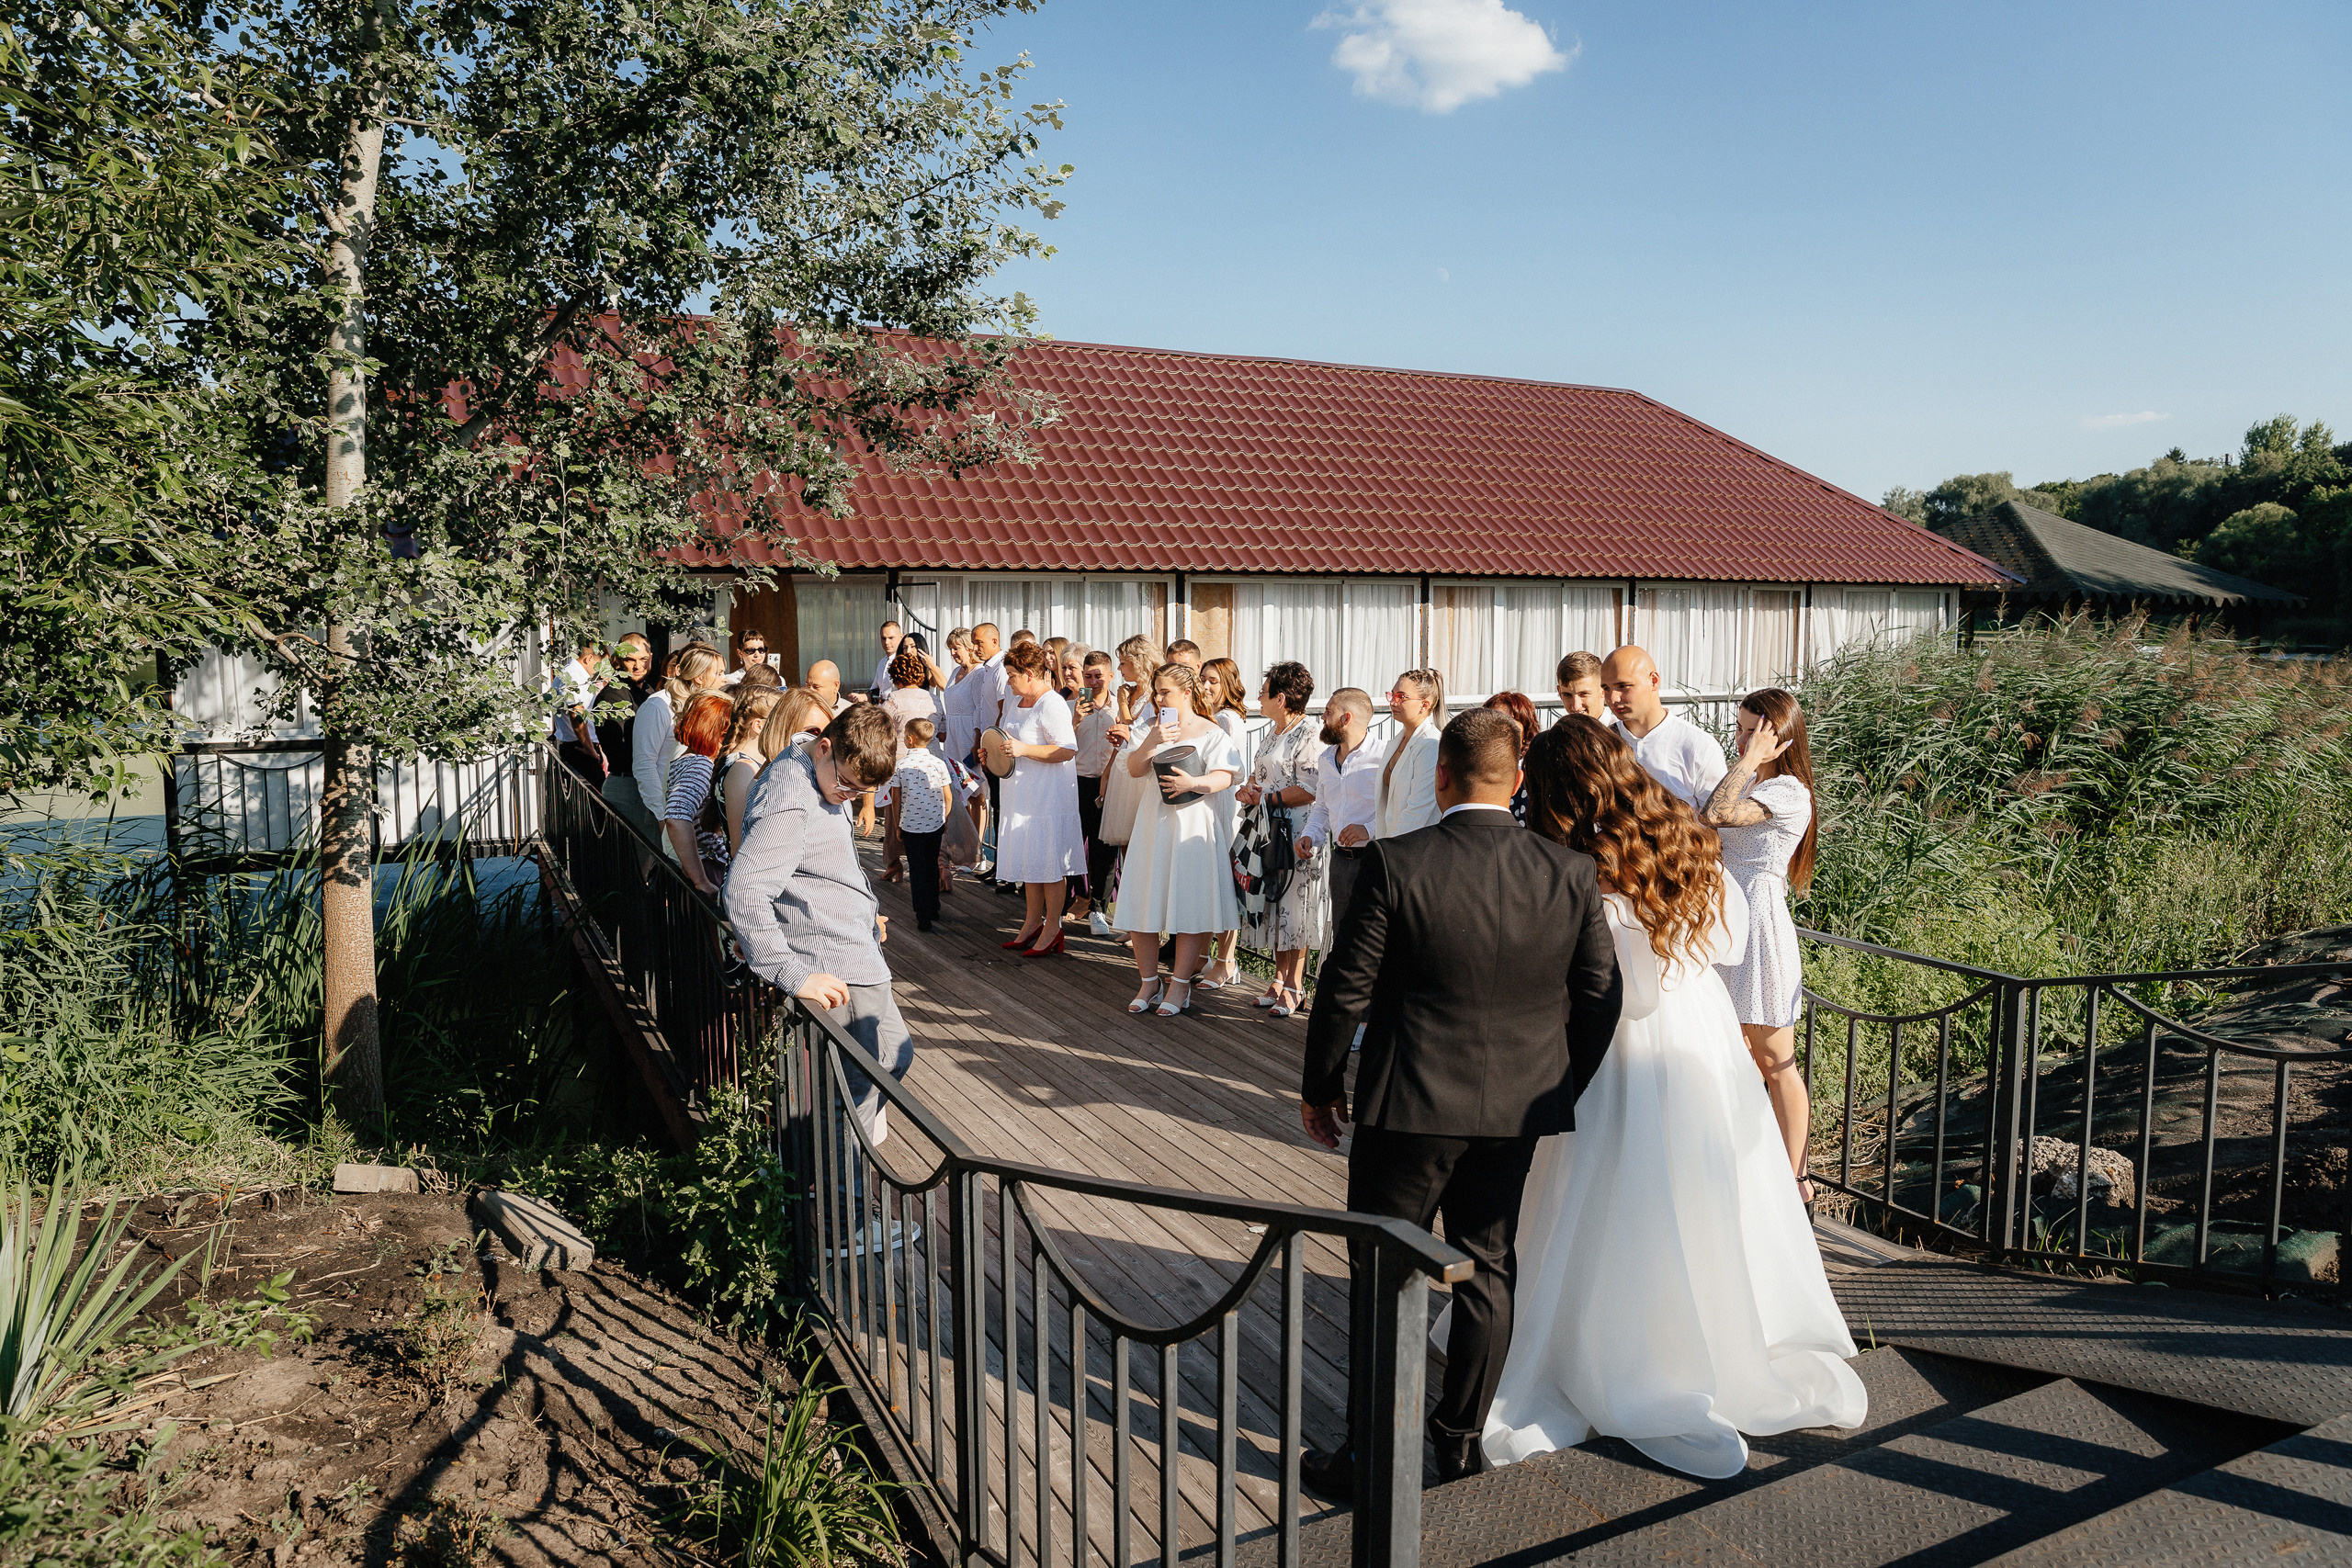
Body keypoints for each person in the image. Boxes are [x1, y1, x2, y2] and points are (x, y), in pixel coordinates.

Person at [1480, 716, 1864, 1479]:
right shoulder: (1685, 834)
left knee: (1610, 1188)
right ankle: (1717, 1335)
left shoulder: (1574, 862)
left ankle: (1614, 1346)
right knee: (1702, 1185)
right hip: (1700, 1032)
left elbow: (1573, 974)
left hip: (1616, 1040)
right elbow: (1730, 940)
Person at [1296, 709, 1622, 1497]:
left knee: (1383, 1270)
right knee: (1488, 1268)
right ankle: (1459, 1444)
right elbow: (1600, 996)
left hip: (1405, 1104)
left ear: (1441, 775)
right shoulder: (1569, 872)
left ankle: (1368, 1454)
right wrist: (1554, 1087)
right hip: (1514, 1111)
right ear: (1517, 780)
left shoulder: (1395, 861)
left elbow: (1345, 986)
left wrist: (1321, 1084)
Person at [725, 705, 912, 1152]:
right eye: (846, 783)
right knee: (855, 1092)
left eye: (861, 791)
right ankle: (840, 1193)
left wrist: (863, 911)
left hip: (855, 948)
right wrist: (792, 974)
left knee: (893, 1055)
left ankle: (824, 1169)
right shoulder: (792, 797)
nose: (848, 795)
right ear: (824, 746)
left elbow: (819, 863)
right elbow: (745, 890)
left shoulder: (814, 765)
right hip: (833, 961)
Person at [1701, 688, 1821, 1204]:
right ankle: (1746, 1171)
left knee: (1776, 1060)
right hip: (1726, 919)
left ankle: (1797, 1183)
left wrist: (1748, 760)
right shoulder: (1750, 781)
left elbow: (1717, 814)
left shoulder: (1789, 791)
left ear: (1781, 737)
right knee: (1737, 1057)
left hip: (1760, 924)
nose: (1742, 740)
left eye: (1754, 731)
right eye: (1740, 729)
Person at [1114, 660, 1240, 1018]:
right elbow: (1133, 769)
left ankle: (1180, 984)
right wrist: (1152, 740)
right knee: (1143, 900)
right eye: (1156, 692)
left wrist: (1194, 783)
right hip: (1154, 823)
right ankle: (1148, 981)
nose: (1158, 698)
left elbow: (1226, 775)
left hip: (1194, 824)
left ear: (1186, 693)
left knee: (1189, 902)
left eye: (1165, 692)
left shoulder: (1211, 731)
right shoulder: (1152, 728)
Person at [1233, 661, 1323, 1018]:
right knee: (1274, 902)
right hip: (1267, 829)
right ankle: (1278, 977)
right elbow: (1263, 776)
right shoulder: (1273, 732)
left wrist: (1266, 798)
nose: (1258, 698)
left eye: (1263, 692)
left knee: (1294, 907)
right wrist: (1249, 790)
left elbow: (1310, 789)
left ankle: (1295, 986)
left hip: (1296, 832)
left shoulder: (1309, 734)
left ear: (1281, 698)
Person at [993, 640, 1083, 956]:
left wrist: (1024, 749)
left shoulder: (1051, 703)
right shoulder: (1016, 700)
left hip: (1047, 797)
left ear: (1029, 674)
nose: (1008, 681)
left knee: (1049, 863)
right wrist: (992, 752)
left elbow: (1067, 749)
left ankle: (1053, 927)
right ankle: (1032, 922)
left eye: (1012, 675)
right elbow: (1007, 740)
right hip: (1019, 794)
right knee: (1031, 861)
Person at [1599, 646, 1727, 813]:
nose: (1613, 698)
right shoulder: (1602, 743)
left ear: (1653, 681)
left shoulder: (1698, 746)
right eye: (1606, 688)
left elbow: (1717, 819)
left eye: (1623, 686)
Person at [1295, 688, 1380, 927]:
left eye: (1328, 712)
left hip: (1375, 861)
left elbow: (1395, 807)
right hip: (1340, 863)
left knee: (1374, 935)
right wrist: (1310, 836)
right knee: (1342, 934)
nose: (1323, 717)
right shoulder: (1325, 759)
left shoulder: (1383, 757)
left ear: (1346, 718)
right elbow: (1322, 807)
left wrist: (1368, 829)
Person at [1193, 656, 1253, 989]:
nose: (1205, 685)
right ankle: (1202, 956)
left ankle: (1226, 961)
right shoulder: (1210, 716)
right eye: (1203, 678)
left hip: (1221, 806)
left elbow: (1228, 768)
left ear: (1227, 685)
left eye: (1213, 681)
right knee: (1207, 883)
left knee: (1224, 886)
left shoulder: (1226, 719)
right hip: (1208, 803)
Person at [634, 644, 725, 852]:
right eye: (718, 673)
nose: (724, 679)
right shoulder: (658, 705)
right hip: (671, 812)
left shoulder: (706, 706)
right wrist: (663, 816)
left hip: (699, 816)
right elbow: (644, 764)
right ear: (699, 677)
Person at [663, 690, 734, 894]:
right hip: (710, 867)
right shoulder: (700, 765)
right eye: (728, 734)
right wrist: (701, 880)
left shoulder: (691, 760)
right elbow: (676, 818)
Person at [1071, 649, 1121, 937]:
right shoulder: (1073, 706)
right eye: (1088, 676)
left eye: (1098, 676)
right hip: (1078, 782)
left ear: (1110, 676)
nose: (1093, 681)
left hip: (1108, 783)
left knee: (1105, 850)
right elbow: (1062, 744)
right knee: (1073, 844)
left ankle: (1099, 908)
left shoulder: (1120, 708)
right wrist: (1075, 720)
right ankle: (1072, 899)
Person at [890, 717, 956, 931]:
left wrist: (898, 824)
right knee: (931, 866)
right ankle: (934, 906)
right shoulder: (938, 764)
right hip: (934, 824)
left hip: (910, 825)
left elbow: (896, 798)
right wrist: (944, 818)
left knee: (917, 869)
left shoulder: (901, 765)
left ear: (910, 739)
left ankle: (922, 915)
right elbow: (948, 797)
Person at [595, 636, 659, 840]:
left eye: (643, 659)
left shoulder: (647, 690)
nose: (638, 666)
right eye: (630, 660)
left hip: (642, 783)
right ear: (618, 661)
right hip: (628, 785)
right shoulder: (613, 696)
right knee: (638, 854)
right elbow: (622, 750)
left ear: (650, 657)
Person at [1374, 668, 1444, 840]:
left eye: (1401, 697)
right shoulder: (1396, 742)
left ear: (1424, 705)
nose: (1393, 702)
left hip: (1413, 845)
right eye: (1392, 695)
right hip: (1391, 843)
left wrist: (1391, 848)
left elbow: (1419, 811)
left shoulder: (1431, 745)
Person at [721, 687, 783, 857]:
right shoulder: (743, 769)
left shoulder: (752, 763)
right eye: (781, 721)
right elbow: (740, 846)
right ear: (758, 725)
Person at [552, 640, 607, 781]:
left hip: (581, 745)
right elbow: (577, 713)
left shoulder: (574, 673)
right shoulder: (574, 675)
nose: (601, 670)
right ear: (589, 659)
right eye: (601, 664)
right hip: (580, 748)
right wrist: (589, 748)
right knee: (596, 791)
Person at [1482, 691, 1539, 823]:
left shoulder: (1533, 777)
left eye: (1510, 725)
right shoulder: (1471, 773)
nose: (1501, 732)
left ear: (1525, 734)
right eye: (1494, 724)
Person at [1554, 651, 1608, 725]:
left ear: (1603, 691)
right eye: (1567, 695)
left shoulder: (1621, 731)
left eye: (1583, 694)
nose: (1576, 707)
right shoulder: (1557, 732)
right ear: (1559, 693)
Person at [869, 619, 904, 701]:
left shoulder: (904, 662)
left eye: (891, 638)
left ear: (901, 637)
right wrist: (862, 696)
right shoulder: (882, 662)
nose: (886, 642)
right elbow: (874, 690)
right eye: (883, 638)